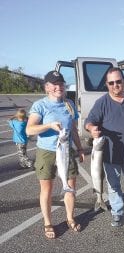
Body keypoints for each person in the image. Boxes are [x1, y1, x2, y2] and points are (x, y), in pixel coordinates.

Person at [85, 67, 124, 228]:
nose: (115, 85)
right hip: (109, 155)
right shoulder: (102, 102)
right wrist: (92, 129)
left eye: (118, 81)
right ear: (107, 84)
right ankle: (117, 213)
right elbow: (89, 121)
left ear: (123, 81)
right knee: (113, 188)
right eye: (111, 82)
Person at [26, 70, 84, 239]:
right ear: (47, 87)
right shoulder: (40, 105)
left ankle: (70, 218)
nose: (59, 87)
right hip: (46, 152)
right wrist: (49, 125)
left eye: (61, 84)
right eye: (55, 84)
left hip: (67, 150)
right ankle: (48, 223)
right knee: (47, 189)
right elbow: (30, 129)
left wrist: (80, 148)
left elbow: (73, 129)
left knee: (70, 187)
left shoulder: (69, 104)